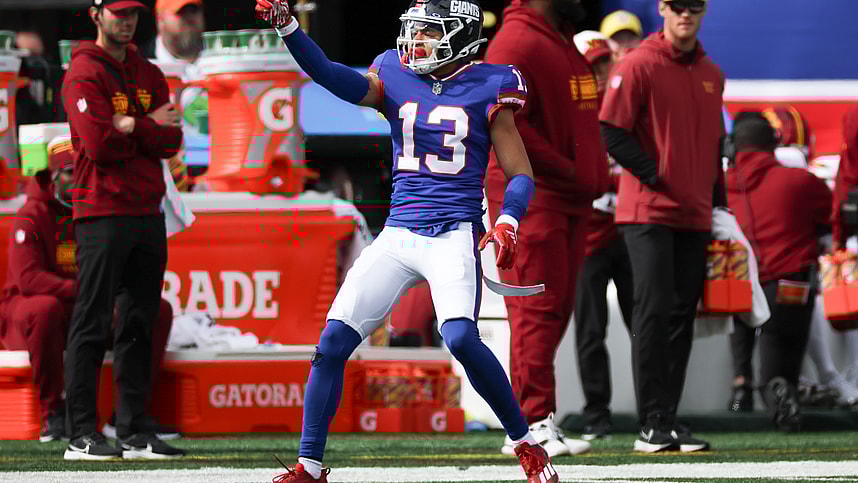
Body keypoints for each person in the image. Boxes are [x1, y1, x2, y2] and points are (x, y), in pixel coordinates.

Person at [255, 0, 558, 482]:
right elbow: (333, 76)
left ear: (458, 37)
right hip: (398, 232)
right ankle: (309, 466)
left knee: (459, 337)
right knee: (332, 343)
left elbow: (519, 172)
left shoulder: (491, 84)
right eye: (413, 31)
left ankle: (526, 443)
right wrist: (291, 29)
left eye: (428, 33)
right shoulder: (395, 71)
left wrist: (508, 221)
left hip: (453, 231)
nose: (415, 42)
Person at [483, 0, 608, 457]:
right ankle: (530, 424)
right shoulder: (517, 40)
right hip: (536, 195)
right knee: (536, 307)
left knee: (554, 309)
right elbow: (507, 122)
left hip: (567, 196)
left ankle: (536, 417)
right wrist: (572, 171)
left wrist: (583, 175)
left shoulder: (553, 35)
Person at [599, 0, 725, 453]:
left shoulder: (712, 72)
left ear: (703, 10)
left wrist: (720, 205)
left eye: (693, 5)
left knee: (680, 317)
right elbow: (611, 130)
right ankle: (651, 423)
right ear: (663, 9)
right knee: (652, 314)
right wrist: (657, 175)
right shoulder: (638, 64)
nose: (685, 13)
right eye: (677, 5)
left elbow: (715, 145)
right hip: (647, 212)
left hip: (694, 213)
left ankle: (666, 420)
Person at [61, 0, 184, 460]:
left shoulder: (148, 70)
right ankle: (80, 433)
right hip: (101, 210)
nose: (126, 19)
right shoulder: (83, 72)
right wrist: (146, 125)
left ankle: (131, 429)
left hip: (146, 210)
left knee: (139, 322)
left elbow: (172, 138)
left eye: (132, 11)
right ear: (96, 14)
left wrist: (132, 125)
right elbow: (97, 144)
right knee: (92, 322)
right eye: (117, 12)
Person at [0, 136, 176, 443]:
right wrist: (90, 291)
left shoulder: (99, 211)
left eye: (81, 171)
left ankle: (128, 416)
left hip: (85, 303)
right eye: (69, 173)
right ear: (53, 177)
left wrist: (111, 297)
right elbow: (28, 281)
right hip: (30, 311)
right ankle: (53, 414)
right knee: (45, 309)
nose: (76, 180)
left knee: (155, 309)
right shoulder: (30, 216)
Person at [725, 113, 832, 431]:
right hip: (789, 283)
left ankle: (741, 387)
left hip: (740, 284)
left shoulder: (722, 186)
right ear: (773, 144)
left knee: (739, 320)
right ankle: (781, 391)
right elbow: (829, 215)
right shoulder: (801, 181)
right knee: (783, 349)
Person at [571, 30, 633, 442]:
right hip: (588, 239)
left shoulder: (629, 109)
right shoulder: (569, 116)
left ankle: (655, 412)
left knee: (643, 325)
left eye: (606, 63)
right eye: (593, 65)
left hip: (630, 235)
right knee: (590, 330)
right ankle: (597, 413)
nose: (601, 72)